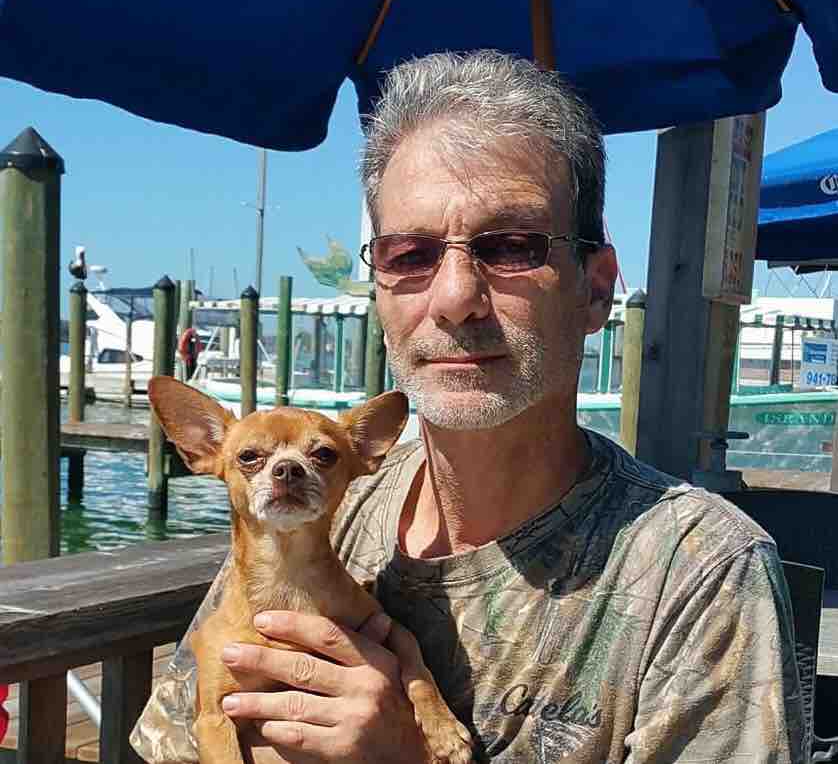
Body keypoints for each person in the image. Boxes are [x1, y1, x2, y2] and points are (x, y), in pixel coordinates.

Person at [132, 50, 804, 763]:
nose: (455, 297)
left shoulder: (699, 573)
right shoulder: (325, 511)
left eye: (511, 246)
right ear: (380, 289)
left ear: (596, 289)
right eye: (410, 254)